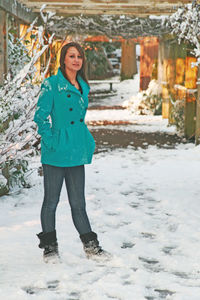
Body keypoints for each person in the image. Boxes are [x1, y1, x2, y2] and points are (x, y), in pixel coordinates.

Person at [34, 42, 108, 263]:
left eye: (79, 56)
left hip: (76, 149)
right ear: (63, 60)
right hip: (56, 151)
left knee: (78, 203)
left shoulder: (83, 85)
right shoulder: (51, 84)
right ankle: (50, 249)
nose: (76, 60)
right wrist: (51, 140)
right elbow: (40, 117)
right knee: (51, 201)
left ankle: (91, 247)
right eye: (71, 56)